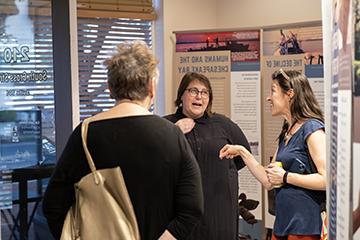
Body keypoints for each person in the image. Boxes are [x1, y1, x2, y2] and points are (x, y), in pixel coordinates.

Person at [42, 41, 204, 240]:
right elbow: (192, 209)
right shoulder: (172, 135)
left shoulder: (85, 134)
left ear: (110, 88)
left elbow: (53, 205)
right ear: (151, 87)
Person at [220, 69, 326, 240]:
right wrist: (242, 151)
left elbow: (327, 179)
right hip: (283, 225)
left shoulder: (312, 129)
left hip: (305, 228)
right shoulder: (287, 132)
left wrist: (286, 177)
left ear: (290, 94)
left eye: (273, 91)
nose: (268, 97)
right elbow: (268, 180)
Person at [164, 72, 250, 240]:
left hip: (219, 210)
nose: (199, 97)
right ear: (181, 95)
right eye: (193, 91)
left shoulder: (223, 124)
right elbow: (156, 162)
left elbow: (242, 156)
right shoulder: (166, 125)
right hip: (180, 212)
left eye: (204, 92)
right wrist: (174, 132)